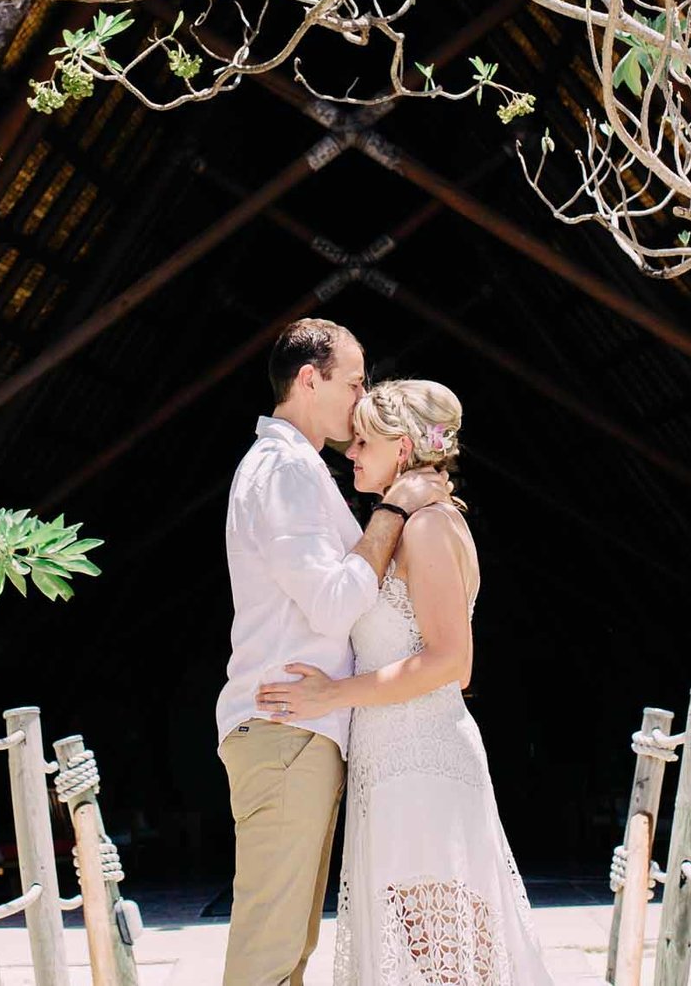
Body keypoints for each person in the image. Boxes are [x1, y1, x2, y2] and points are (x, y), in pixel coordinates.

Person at [257, 379, 554, 986]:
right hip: (390, 761)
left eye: (363, 440)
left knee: (443, 952)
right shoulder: (405, 525)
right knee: (430, 948)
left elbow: (452, 662)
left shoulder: (430, 529)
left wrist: (332, 694)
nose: (351, 452)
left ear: (402, 448)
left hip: (423, 760)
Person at [220, 320, 448, 986]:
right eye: (353, 381)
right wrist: (394, 511)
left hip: (298, 730)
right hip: (286, 727)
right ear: (308, 379)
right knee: (270, 951)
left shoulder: (297, 469)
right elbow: (331, 601)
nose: (362, 396)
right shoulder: (285, 470)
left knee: (288, 947)